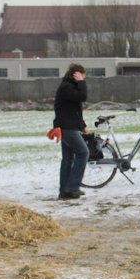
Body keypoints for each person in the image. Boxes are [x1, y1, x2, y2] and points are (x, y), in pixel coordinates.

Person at [51, 64, 89, 200]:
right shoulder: (67, 87)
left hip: (66, 126)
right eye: (83, 75)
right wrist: (81, 82)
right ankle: (73, 186)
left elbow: (74, 110)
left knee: (68, 159)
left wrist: (83, 126)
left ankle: (64, 192)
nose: (84, 78)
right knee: (83, 153)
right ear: (77, 74)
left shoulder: (67, 87)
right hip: (67, 127)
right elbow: (83, 97)